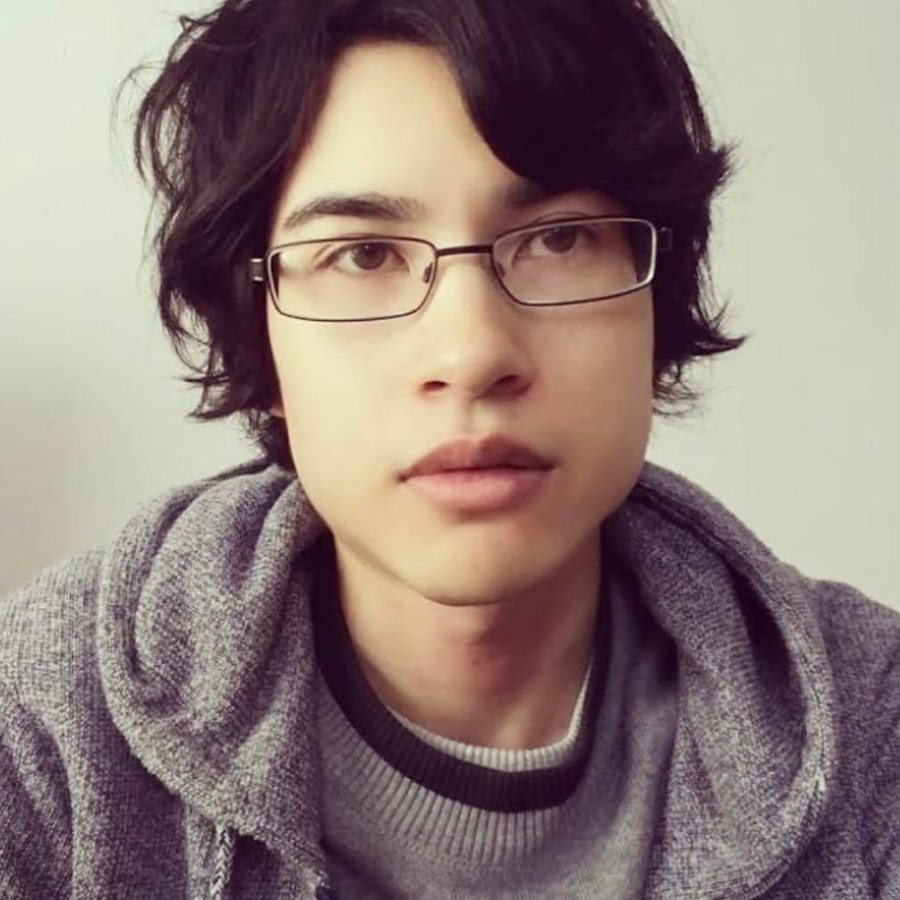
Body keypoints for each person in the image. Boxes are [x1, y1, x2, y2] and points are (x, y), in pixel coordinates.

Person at [1, 0, 897, 897]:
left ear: (653, 296)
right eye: (361, 255)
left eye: (558, 238)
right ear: (259, 336)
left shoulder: (871, 728)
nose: (471, 355)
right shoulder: (45, 732)